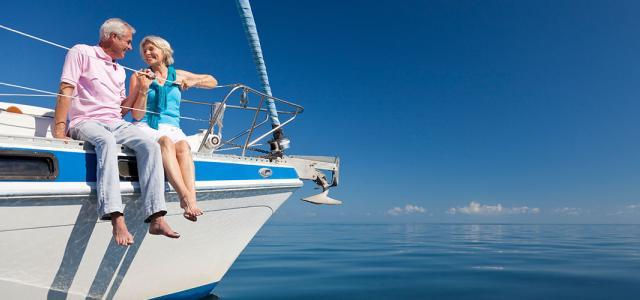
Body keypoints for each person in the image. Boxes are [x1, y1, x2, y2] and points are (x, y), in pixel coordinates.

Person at [53, 18, 179, 246]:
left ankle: (156, 218)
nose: (131, 48)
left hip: (115, 122)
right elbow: (66, 87)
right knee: (106, 142)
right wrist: (60, 131)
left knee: (150, 146)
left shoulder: (119, 70)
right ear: (113, 37)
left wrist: (142, 89)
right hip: (86, 120)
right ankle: (116, 217)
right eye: (128, 42)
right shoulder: (81, 51)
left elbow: (122, 110)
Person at [124, 35, 217, 221]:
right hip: (147, 125)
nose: (147, 53)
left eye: (152, 49)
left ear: (164, 51)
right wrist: (143, 89)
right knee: (166, 142)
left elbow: (212, 81)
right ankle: (186, 198)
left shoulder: (179, 75)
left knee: (183, 147)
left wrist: (194, 82)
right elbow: (136, 115)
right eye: (144, 50)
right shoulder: (139, 76)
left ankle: (192, 199)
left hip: (172, 127)